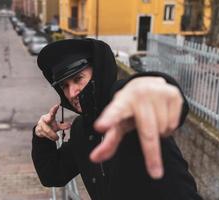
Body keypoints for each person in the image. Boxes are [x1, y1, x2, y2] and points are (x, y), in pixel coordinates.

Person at [32, 38, 203, 200]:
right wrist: (41, 137)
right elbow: (53, 175)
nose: (71, 92)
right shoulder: (80, 130)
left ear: (97, 74)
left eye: (78, 79)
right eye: (65, 86)